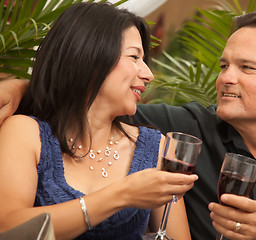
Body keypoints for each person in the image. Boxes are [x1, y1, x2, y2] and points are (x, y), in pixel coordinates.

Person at [1, 11, 256, 240]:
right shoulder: (179, 131)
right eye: (223, 66)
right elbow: (91, 101)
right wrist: (24, 86)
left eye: (247, 68)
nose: (226, 79)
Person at [0, 2, 198, 240]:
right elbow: (8, 228)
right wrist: (122, 195)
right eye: (134, 56)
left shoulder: (158, 149)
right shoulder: (27, 133)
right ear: (90, 56)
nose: (148, 74)